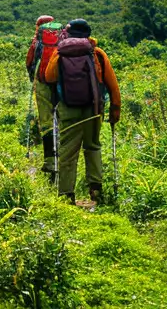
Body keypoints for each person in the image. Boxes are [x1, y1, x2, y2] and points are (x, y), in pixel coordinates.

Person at [41, 19, 121, 206]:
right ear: (88, 34)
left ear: (68, 33)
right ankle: (95, 190)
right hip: (93, 109)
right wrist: (114, 110)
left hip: (68, 108)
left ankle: (67, 194)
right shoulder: (97, 54)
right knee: (93, 146)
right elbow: (112, 85)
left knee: (68, 150)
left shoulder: (59, 53)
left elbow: (49, 76)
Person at [26, 15, 62, 182]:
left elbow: (29, 64)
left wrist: (32, 79)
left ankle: (49, 163)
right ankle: (63, 160)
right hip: (61, 85)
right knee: (61, 122)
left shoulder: (37, 42)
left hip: (42, 85)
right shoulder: (62, 39)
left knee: (47, 124)